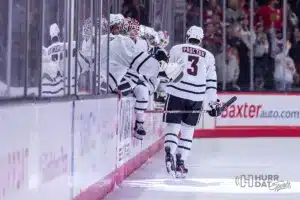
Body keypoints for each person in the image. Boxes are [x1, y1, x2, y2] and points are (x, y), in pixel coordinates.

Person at [163, 25, 221, 178]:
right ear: (200, 40)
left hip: (176, 93)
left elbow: (166, 72)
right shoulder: (208, 56)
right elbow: (211, 82)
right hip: (196, 97)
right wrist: (213, 103)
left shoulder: (177, 49)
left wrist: (162, 90)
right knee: (188, 130)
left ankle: (169, 152)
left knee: (173, 126)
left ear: (187, 36)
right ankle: (181, 161)